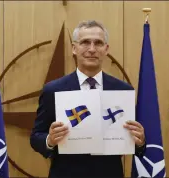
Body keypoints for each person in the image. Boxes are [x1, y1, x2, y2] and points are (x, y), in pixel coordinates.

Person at [30, 20, 146, 178]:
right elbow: (36, 137)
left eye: (98, 43)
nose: (92, 49)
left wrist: (140, 142)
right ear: (74, 48)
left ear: (106, 49)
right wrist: (49, 140)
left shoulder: (123, 90)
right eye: (85, 42)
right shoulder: (53, 90)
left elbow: (138, 144)